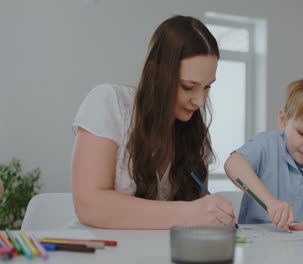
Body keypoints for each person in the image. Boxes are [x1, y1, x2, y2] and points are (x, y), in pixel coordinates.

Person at [71, 15, 236, 229]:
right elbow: (90, 205)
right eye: (188, 86)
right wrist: (189, 213)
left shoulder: (196, 134)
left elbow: (198, 217)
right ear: (155, 73)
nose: (200, 101)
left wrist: (212, 215)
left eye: (207, 87)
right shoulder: (109, 103)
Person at [224, 78, 303, 235]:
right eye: (302, 133)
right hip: (256, 242)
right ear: (283, 121)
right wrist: (270, 202)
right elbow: (233, 164)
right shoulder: (266, 144)